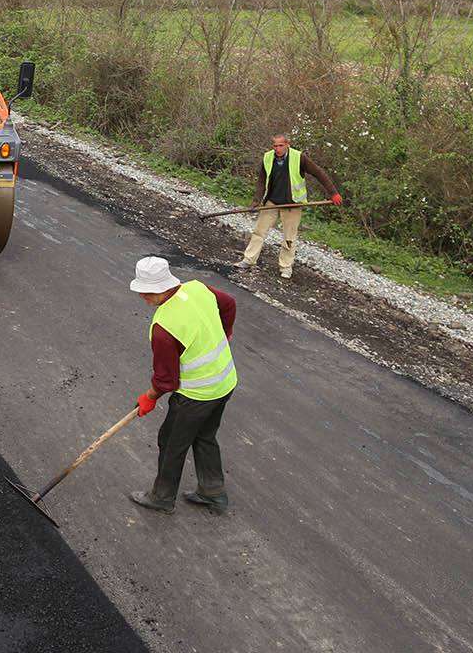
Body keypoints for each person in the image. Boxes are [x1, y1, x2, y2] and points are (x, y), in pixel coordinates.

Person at [127, 256, 237, 515]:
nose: (142, 295)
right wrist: (226, 332)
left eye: (147, 291)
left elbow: (167, 380)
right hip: (225, 382)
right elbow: (229, 304)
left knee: (171, 443)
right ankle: (213, 492)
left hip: (196, 395)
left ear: (164, 287)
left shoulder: (165, 327)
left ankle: (162, 498)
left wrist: (149, 397)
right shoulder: (197, 289)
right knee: (205, 435)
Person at [234, 134, 342, 280]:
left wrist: (333, 193)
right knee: (259, 231)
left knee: (289, 237)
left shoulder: (299, 158)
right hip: (271, 201)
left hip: (292, 204)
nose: (278, 149)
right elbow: (261, 180)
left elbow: (319, 173)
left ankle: (285, 267)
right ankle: (248, 260)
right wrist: (256, 200)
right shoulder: (267, 158)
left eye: (280, 146)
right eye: (275, 146)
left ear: (287, 145)